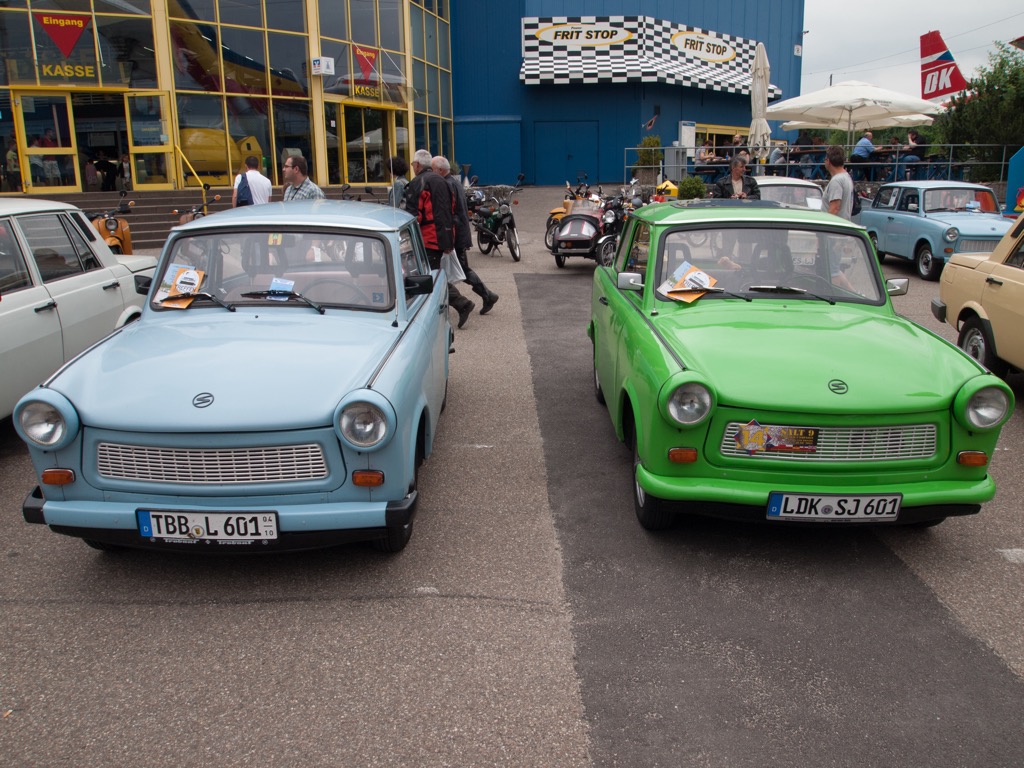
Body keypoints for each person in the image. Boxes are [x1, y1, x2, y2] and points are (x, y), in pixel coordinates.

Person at [402, 148, 474, 328]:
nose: (413, 167)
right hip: (443, 237)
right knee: (432, 275)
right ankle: (458, 305)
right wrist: (448, 240)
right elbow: (449, 212)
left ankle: (461, 304)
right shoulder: (443, 182)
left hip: (426, 239)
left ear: (417, 165)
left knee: (428, 277)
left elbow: (413, 217)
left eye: (413, 164)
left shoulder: (418, 183)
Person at [432, 154, 499, 315]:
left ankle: (487, 295)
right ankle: (486, 295)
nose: (432, 173)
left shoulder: (447, 184)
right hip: (459, 231)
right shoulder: (453, 182)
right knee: (461, 268)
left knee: (462, 269)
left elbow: (451, 211)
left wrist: (449, 236)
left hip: (456, 233)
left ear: (440, 170)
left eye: (433, 170)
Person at [823, 145, 855, 221]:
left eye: (824, 159)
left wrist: (824, 225)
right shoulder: (846, 176)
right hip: (843, 224)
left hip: (833, 228)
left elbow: (834, 209)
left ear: (828, 161)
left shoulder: (836, 181)